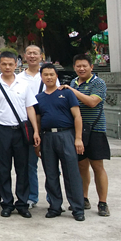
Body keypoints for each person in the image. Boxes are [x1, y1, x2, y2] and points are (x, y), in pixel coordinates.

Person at [0, 51, 40, 218]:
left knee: (23, 168)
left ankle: (22, 203)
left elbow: (30, 108)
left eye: (10, 64)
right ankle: (7, 203)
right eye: (4, 64)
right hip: (2, 130)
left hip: (21, 131)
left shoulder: (24, 84)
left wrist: (36, 131)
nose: (7, 67)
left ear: (16, 65)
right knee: (3, 168)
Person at [34, 63, 85, 221]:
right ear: (41, 77)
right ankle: (55, 206)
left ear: (56, 76)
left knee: (71, 173)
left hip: (66, 135)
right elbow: (38, 120)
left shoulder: (67, 93)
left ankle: (77, 208)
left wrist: (78, 138)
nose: (49, 77)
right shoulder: (39, 98)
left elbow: (77, 116)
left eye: (52, 74)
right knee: (51, 173)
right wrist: (38, 141)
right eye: (46, 75)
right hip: (47, 137)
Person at [62, 53, 111, 217]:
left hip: (96, 130)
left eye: (84, 66)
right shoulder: (74, 82)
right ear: (74, 67)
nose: (81, 69)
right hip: (78, 131)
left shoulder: (98, 83)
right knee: (81, 166)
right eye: (78, 66)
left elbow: (92, 102)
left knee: (98, 166)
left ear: (91, 67)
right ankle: (83, 198)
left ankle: (103, 202)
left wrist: (71, 91)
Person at [17, 44, 50, 208]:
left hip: (47, 122)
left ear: (41, 56)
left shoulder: (48, 74)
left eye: (35, 53)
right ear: (24, 56)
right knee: (30, 163)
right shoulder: (18, 78)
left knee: (51, 164)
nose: (32, 56)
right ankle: (32, 197)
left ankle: (54, 199)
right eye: (29, 53)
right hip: (28, 124)